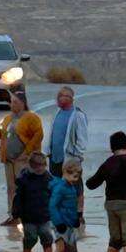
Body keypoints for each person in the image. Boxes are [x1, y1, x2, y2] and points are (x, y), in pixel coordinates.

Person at [0, 88, 44, 225]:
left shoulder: (31, 118)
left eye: (14, 102)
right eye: (11, 102)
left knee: (24, 187)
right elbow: (5, 135)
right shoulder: (8, 118)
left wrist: (27, 152)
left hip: (22, 160)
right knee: (11, 188)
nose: (11, 105)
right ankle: (13, 215)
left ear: (22, 103)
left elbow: (38, 135)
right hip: (8, 159)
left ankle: (27, 214)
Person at [48, 85, 89, 228]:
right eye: (59, 95)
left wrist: (77, 156)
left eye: (63, 95)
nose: (60, 98)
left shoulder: (78, 115)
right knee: (56, 186)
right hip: (55, 158)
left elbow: (82, 138)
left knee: (76, 187)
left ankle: (79, 214)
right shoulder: (57, 113)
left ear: (71, 99)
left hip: (71, 158)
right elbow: (52, 134)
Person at [12, 151, 54, 252]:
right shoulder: (24, 179)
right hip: (28, 217)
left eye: (43, 165)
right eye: (37, 166)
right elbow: (18, 197)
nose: (40, 168)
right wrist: (15, 212)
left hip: (45, 215)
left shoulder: (49, 179)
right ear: (31, 165)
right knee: (30, 238)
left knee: (47, 237)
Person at [48, 157, 83, 252]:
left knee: (69, 248)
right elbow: (53, 206)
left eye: (77, 179)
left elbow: (72, 206)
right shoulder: (60, 187)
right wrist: (58, 223)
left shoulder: (71, 187)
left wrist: (76, 219)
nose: (75, 181)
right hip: (59, 223)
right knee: (60, 247)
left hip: (69, 222)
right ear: (65, 172)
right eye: (74, 177)